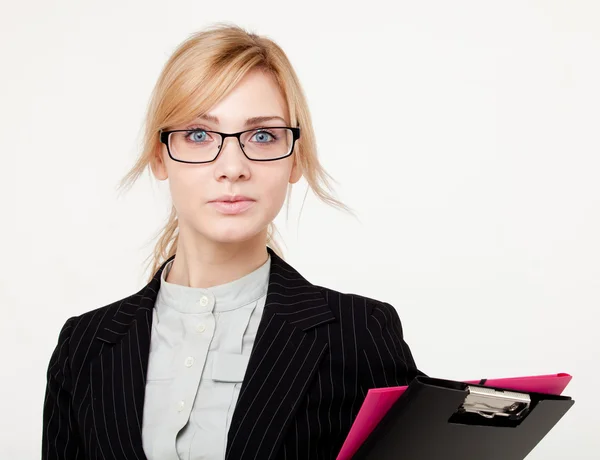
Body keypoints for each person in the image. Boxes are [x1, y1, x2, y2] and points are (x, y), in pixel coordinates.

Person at [42, 23, 425, 460]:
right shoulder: (84, 345)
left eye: (262, 136)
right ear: (159, 155)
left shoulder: (359, 333)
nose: (233, 167)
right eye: (199, 134)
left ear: (295, 159)